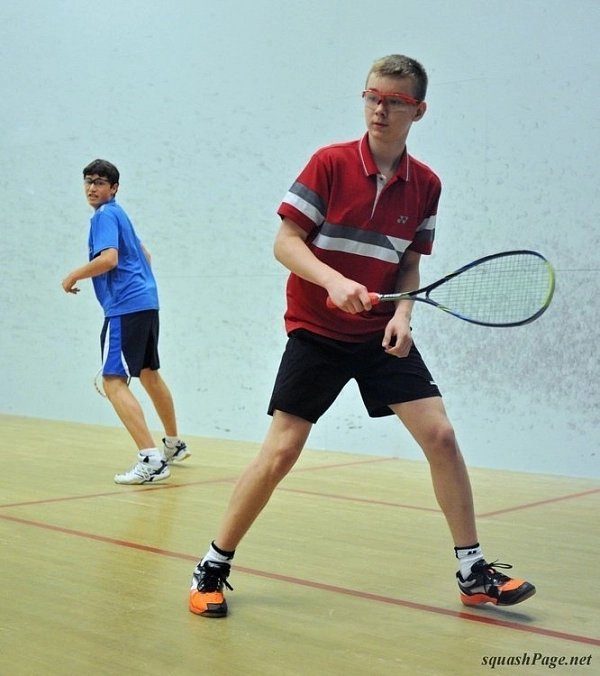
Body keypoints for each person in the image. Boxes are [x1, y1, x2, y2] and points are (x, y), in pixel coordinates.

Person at [188, 55, 535, 617]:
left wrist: (404, 315)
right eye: (372, 96)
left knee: (441, 436)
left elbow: (408, 265)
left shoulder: (426, 185)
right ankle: (213, 564)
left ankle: (473, 572)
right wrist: (332, 280)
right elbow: (285, 242)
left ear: (419, 110)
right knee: (282, 450)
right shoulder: (329, 163)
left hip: (380, 334)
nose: (379, 108)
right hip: (317, 331)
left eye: (395, 101)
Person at [62, 159, 190, 484]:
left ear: (114, 188)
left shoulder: (104, 216)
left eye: (100, 182)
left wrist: (74, 274)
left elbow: (109, 259)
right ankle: (173, 445)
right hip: (146, 302)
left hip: (125, 307)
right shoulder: (119, 214)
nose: (92, 188)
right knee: (148, 373)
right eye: (88, 181)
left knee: (112, 380)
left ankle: (151, 459)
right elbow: (145, 255)